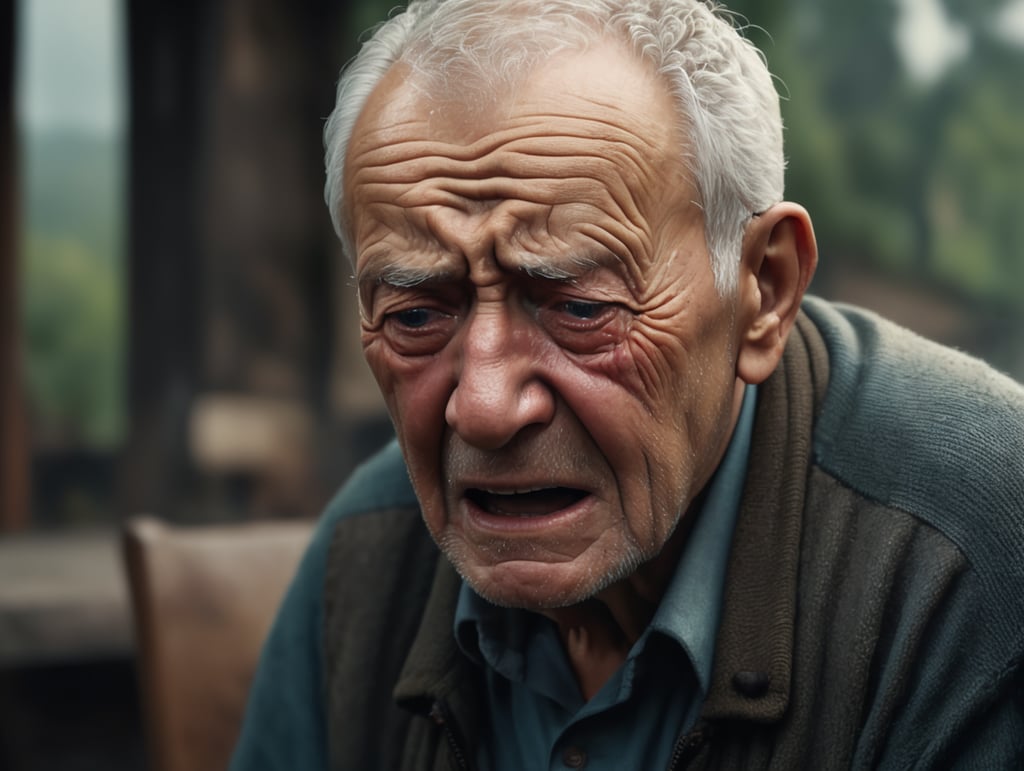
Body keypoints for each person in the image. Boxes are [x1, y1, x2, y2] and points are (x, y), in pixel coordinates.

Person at [230, 0, 1024, 768]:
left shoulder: (968, 558)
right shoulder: (365, 567)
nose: (485, 406)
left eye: (579, 308)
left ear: (763, 290)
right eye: (415, 315)